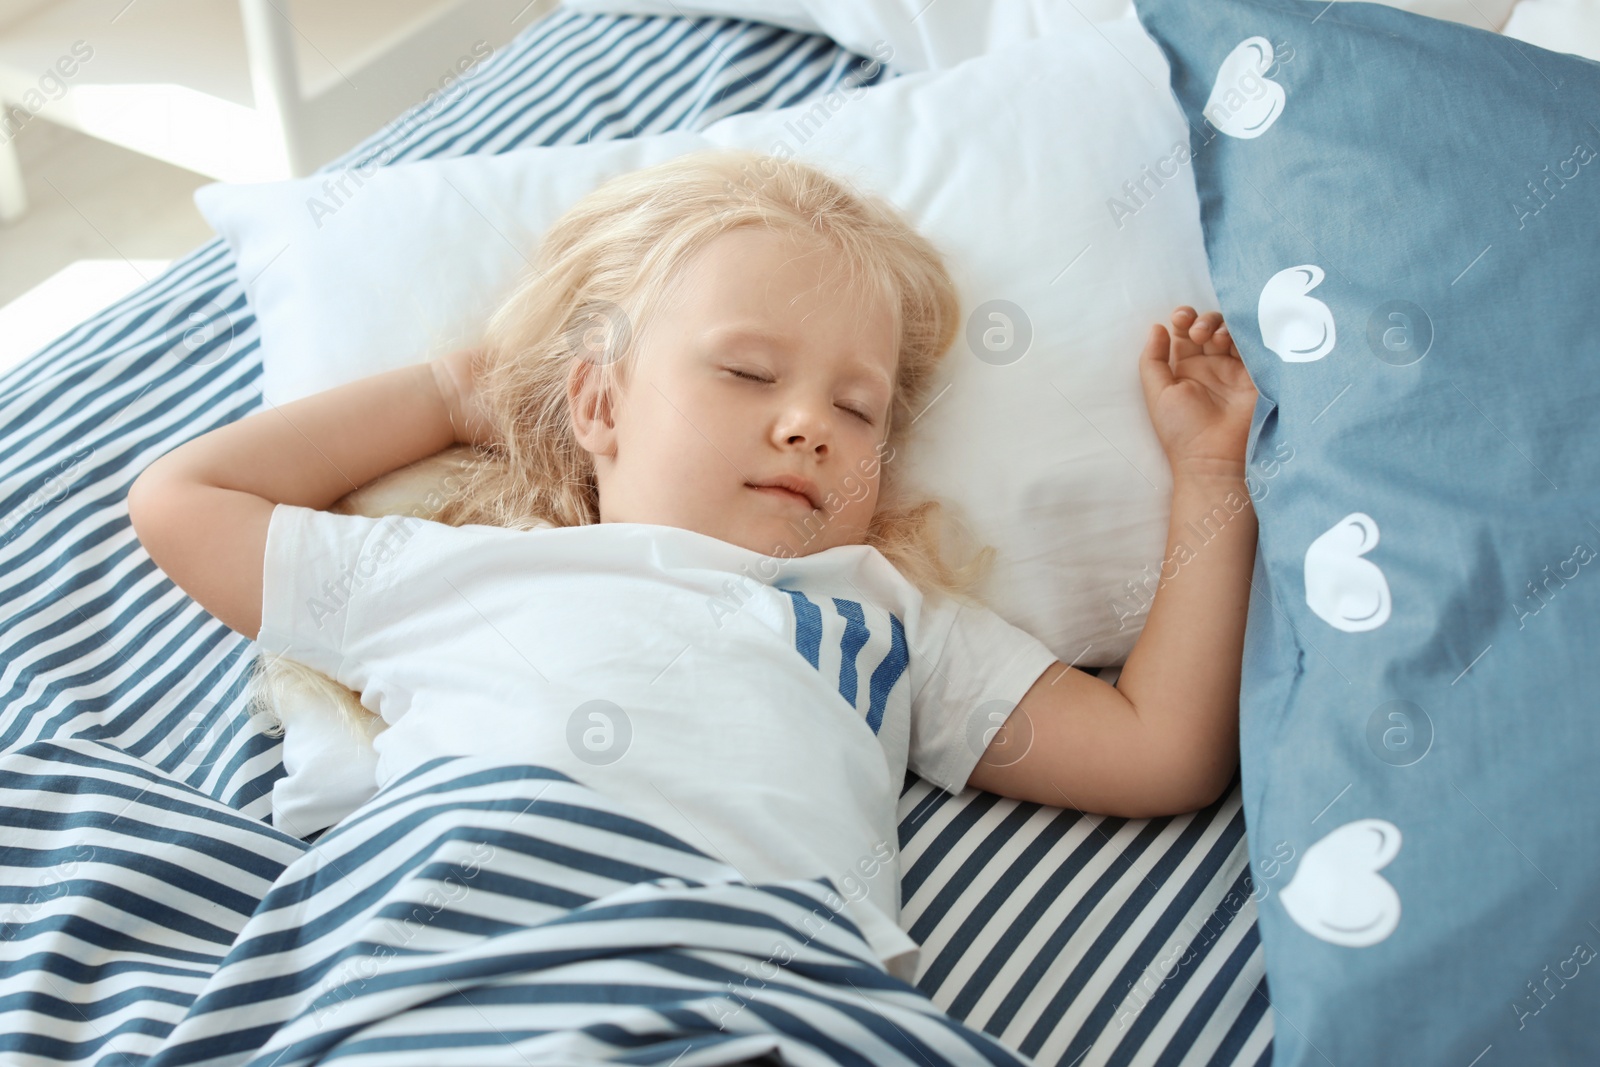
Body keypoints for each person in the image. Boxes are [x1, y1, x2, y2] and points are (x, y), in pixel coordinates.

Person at [126, 148, 1258, 982]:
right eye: (749, 374)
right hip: (444, 948)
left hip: (746, 980)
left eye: (857, 408)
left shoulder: (878, 620)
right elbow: (182, 502)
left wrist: (1209, 477)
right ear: (600, 401)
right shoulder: (460, 572)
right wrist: (450, 391)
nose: (810, 422)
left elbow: (1159, 752)